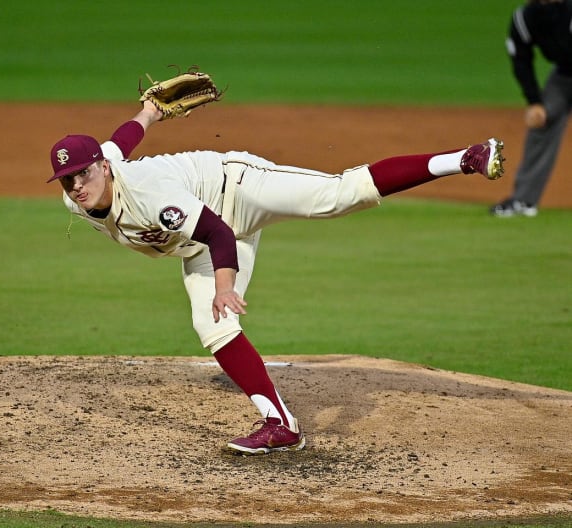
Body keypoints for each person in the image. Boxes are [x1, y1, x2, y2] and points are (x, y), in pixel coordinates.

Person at [48, 99, 504, 455]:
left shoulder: (151, 196)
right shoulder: (80, 197)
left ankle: (464, 158)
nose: (77, 186)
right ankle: (280, 425)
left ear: (102, 168)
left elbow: (217, 230)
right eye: (68, 180)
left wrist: (225, 286)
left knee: (339, 195)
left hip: (237, 188)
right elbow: (120, 140)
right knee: (211, 326)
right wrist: (147, 113)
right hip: (202, 238)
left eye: (83, 173)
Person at [490, 0, 572, 217]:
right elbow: (521, 59)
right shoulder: (525, 18)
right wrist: (534, 102)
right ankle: (524, 201)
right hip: (564, 76)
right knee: (542, 120)